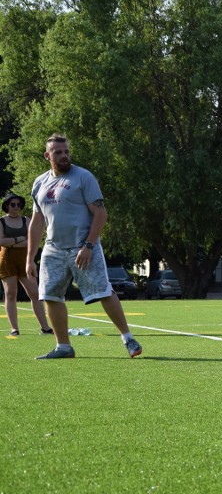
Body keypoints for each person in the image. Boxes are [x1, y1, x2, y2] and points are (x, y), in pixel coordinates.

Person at [26, 134, 142, 359]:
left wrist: (88, 245)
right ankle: (63, 347)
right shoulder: (40, 183)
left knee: (103, 291)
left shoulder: (83, 177)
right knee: (50, 295)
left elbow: (100, 213)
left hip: (83, 247)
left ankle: (128, 338)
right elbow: (37, 221)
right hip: (53, 249)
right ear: (47, 155)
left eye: (66, 151)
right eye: (58, 152)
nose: (64, 156)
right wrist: (30, 257)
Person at [1, 193, 52, 336]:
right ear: (6, 206)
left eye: (18, 204)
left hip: (26, 260)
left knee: (35, 293)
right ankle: (14, 329)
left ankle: (45, 327)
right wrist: (20, 238)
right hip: (7, 260)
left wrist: (12, 241)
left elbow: (33, 240)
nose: (16, 207)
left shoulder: (26, 220)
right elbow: (1, 242)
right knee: (11, 294)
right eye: (13, 204)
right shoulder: (1, 222)